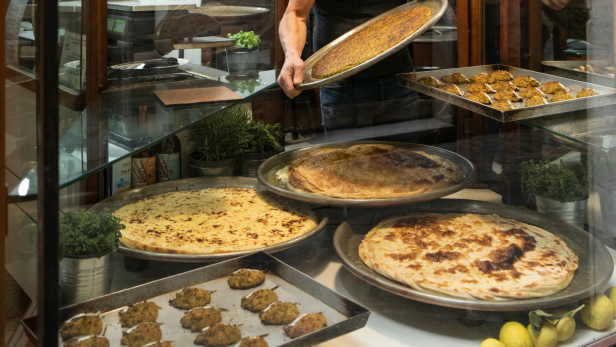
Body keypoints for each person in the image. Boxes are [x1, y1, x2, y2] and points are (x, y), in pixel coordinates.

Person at [277, 0, 419, 134]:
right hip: (340, 84)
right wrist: (292, 56)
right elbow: (296, 13)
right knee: (346, 157)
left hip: (398, 77)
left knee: (405, 157)